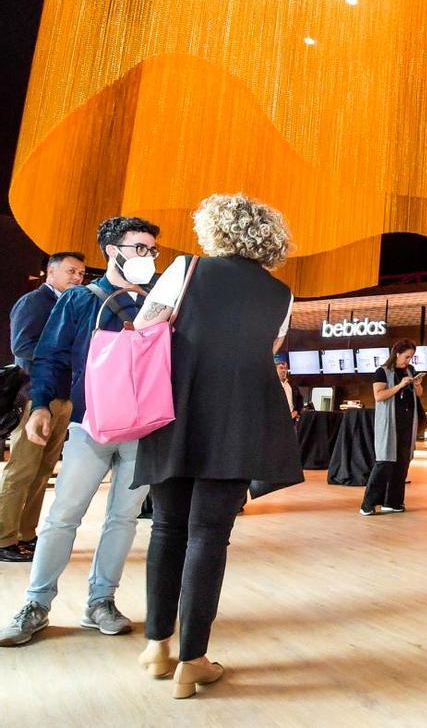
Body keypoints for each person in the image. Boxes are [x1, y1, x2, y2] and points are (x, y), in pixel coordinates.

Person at [131, 193, 302, 697]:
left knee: (166, 528)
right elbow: (268, 348)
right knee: (210, 536)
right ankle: (193, 661)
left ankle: (157, 646)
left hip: (177, 411)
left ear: (216, 229)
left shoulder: (187, 269)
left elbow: (147, 326)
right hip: (242, 417)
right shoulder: (281, 292)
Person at [0, 217, 160, 647]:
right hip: (90, 423)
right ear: (113, 250)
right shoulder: (78, 301)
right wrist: (41, 406)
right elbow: (50, 355)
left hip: (145, 427)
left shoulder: (157, 301)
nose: (148, 256)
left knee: (124, 517)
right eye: (140, 248)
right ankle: (36, 602)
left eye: (152, 250)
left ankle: (101, 600)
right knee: (62, 516)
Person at [0, 252, 86, 563]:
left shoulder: (71, 306)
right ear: (51, 271)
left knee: (42, 471)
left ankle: (26, 534)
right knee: (21, 470)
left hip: (63, 398)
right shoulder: (34, 303)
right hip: (35, 398)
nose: (77, 277)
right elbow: (22, 348)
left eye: (80, 273)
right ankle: (3, 539)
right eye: (70, 271)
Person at [362, 339, 423, 515]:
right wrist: (400, 385)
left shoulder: (410, 370)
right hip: (389, 423)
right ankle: (368, 504)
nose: (408, 360)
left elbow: (419, 395)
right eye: (406, 356)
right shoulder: (381, 372)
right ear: (397, 353)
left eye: (411, 357)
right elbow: (379, 396)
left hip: (406, 423)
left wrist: (417, 385)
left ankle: (393, 502)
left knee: (402, 464)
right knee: (385, 463)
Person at [275, 355, 303, 422]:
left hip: (290, 421)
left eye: (286, 368)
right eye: (281, 368)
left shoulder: (292, 385)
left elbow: (300, 400)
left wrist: (296, 412)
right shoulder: (271, 385)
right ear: (275, 370)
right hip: (276, 420)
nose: (284, 370)